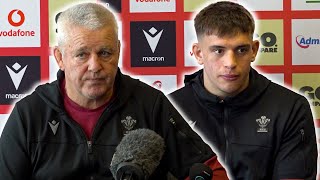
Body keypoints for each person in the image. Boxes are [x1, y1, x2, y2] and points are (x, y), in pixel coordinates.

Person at [0, 3, 228, 180]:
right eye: (81, 54)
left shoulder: (150, 103)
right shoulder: (29, 114)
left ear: (118, 51)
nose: (95, 66)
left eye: (105, 53)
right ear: (60, 57)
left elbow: (210, 170)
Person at [169, 1, 317, 179]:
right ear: (199, 53)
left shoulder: (291, 108)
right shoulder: (170, 108)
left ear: (254, 50)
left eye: (241, 50)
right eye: (218, 51)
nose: (230, 63)